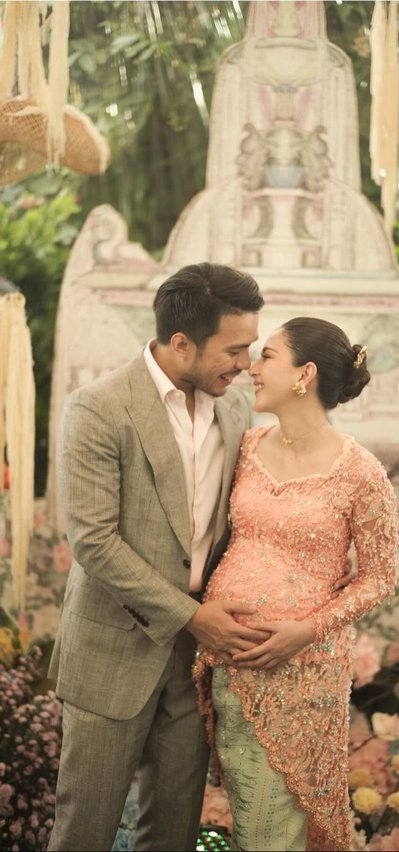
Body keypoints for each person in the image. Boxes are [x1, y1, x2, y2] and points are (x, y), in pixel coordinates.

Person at [47, 265, 354, 852]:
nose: (246, 364)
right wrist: (191, 615)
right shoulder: (98, 408)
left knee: (174, 834)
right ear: (181, 342)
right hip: (113, 650)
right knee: (84, 830)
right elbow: (93, 540)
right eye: (234, 349)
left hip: (198, 664)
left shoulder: (238, 412)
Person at [194, 317, 399, 852]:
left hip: (299, 677)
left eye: (266, 357)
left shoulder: (361, 473)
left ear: (304, 373)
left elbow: (379, 578)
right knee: (243, 811)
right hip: (223, 661)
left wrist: (306, 630)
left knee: (275, 827)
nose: (251, 369)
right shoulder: (246, 447)